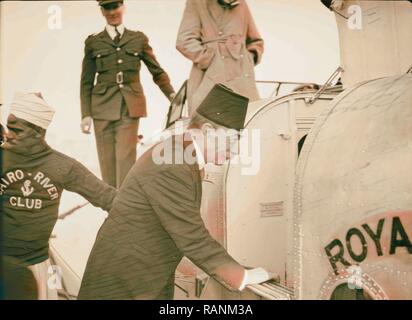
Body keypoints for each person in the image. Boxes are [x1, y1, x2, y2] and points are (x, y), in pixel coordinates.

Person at [78, 84, 277, 300]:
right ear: (209, 131)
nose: (235, 150)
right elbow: (191, 236)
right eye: (232, 139)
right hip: (122, 285)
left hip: (143, 279)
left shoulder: (179, 154)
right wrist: (242, 276)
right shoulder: (172, 163)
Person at [0, 92, 117, 299]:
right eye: (8, 128)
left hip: (36, 267)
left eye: (16, 129)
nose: (8, 134)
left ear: (37, 131)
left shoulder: (62, 167)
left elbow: (109, 199)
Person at [80, 0, 176, 188]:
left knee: (125, 161)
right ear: (102, 11)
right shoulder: (93, 42)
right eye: (107, 8)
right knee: (107, 164)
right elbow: (86, 82)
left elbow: (157, 71)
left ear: (123, 8)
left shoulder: (138, 39)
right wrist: (86, 114)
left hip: (129, 106)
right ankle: (113, 211)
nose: (112, 12)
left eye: (115, 7)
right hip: (101, 108)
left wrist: (172, 95)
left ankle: (124, 208)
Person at [176, 0, 264, 115]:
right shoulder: (197, 3)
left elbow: (256, 42)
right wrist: (210, 60)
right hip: (211, 77)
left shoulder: (241, 4)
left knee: (249, 124)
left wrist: (249, 59)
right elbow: (184, 40)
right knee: (209, 124)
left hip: (241, 77)